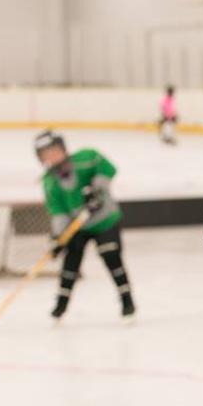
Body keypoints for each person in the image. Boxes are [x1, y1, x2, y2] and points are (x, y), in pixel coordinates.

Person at [34, 130, 135, 319]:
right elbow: (59, 213)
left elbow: (108, 168)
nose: (52, 155)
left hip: (105, 220)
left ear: (63, 148)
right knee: (70, 264)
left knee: (111, 255)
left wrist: (97, 189)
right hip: (78, 226)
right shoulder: (50, 182)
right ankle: (61, 306)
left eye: (54, 150)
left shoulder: (86, 158)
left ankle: (127, 300)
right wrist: (58, 238)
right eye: (46, 153)